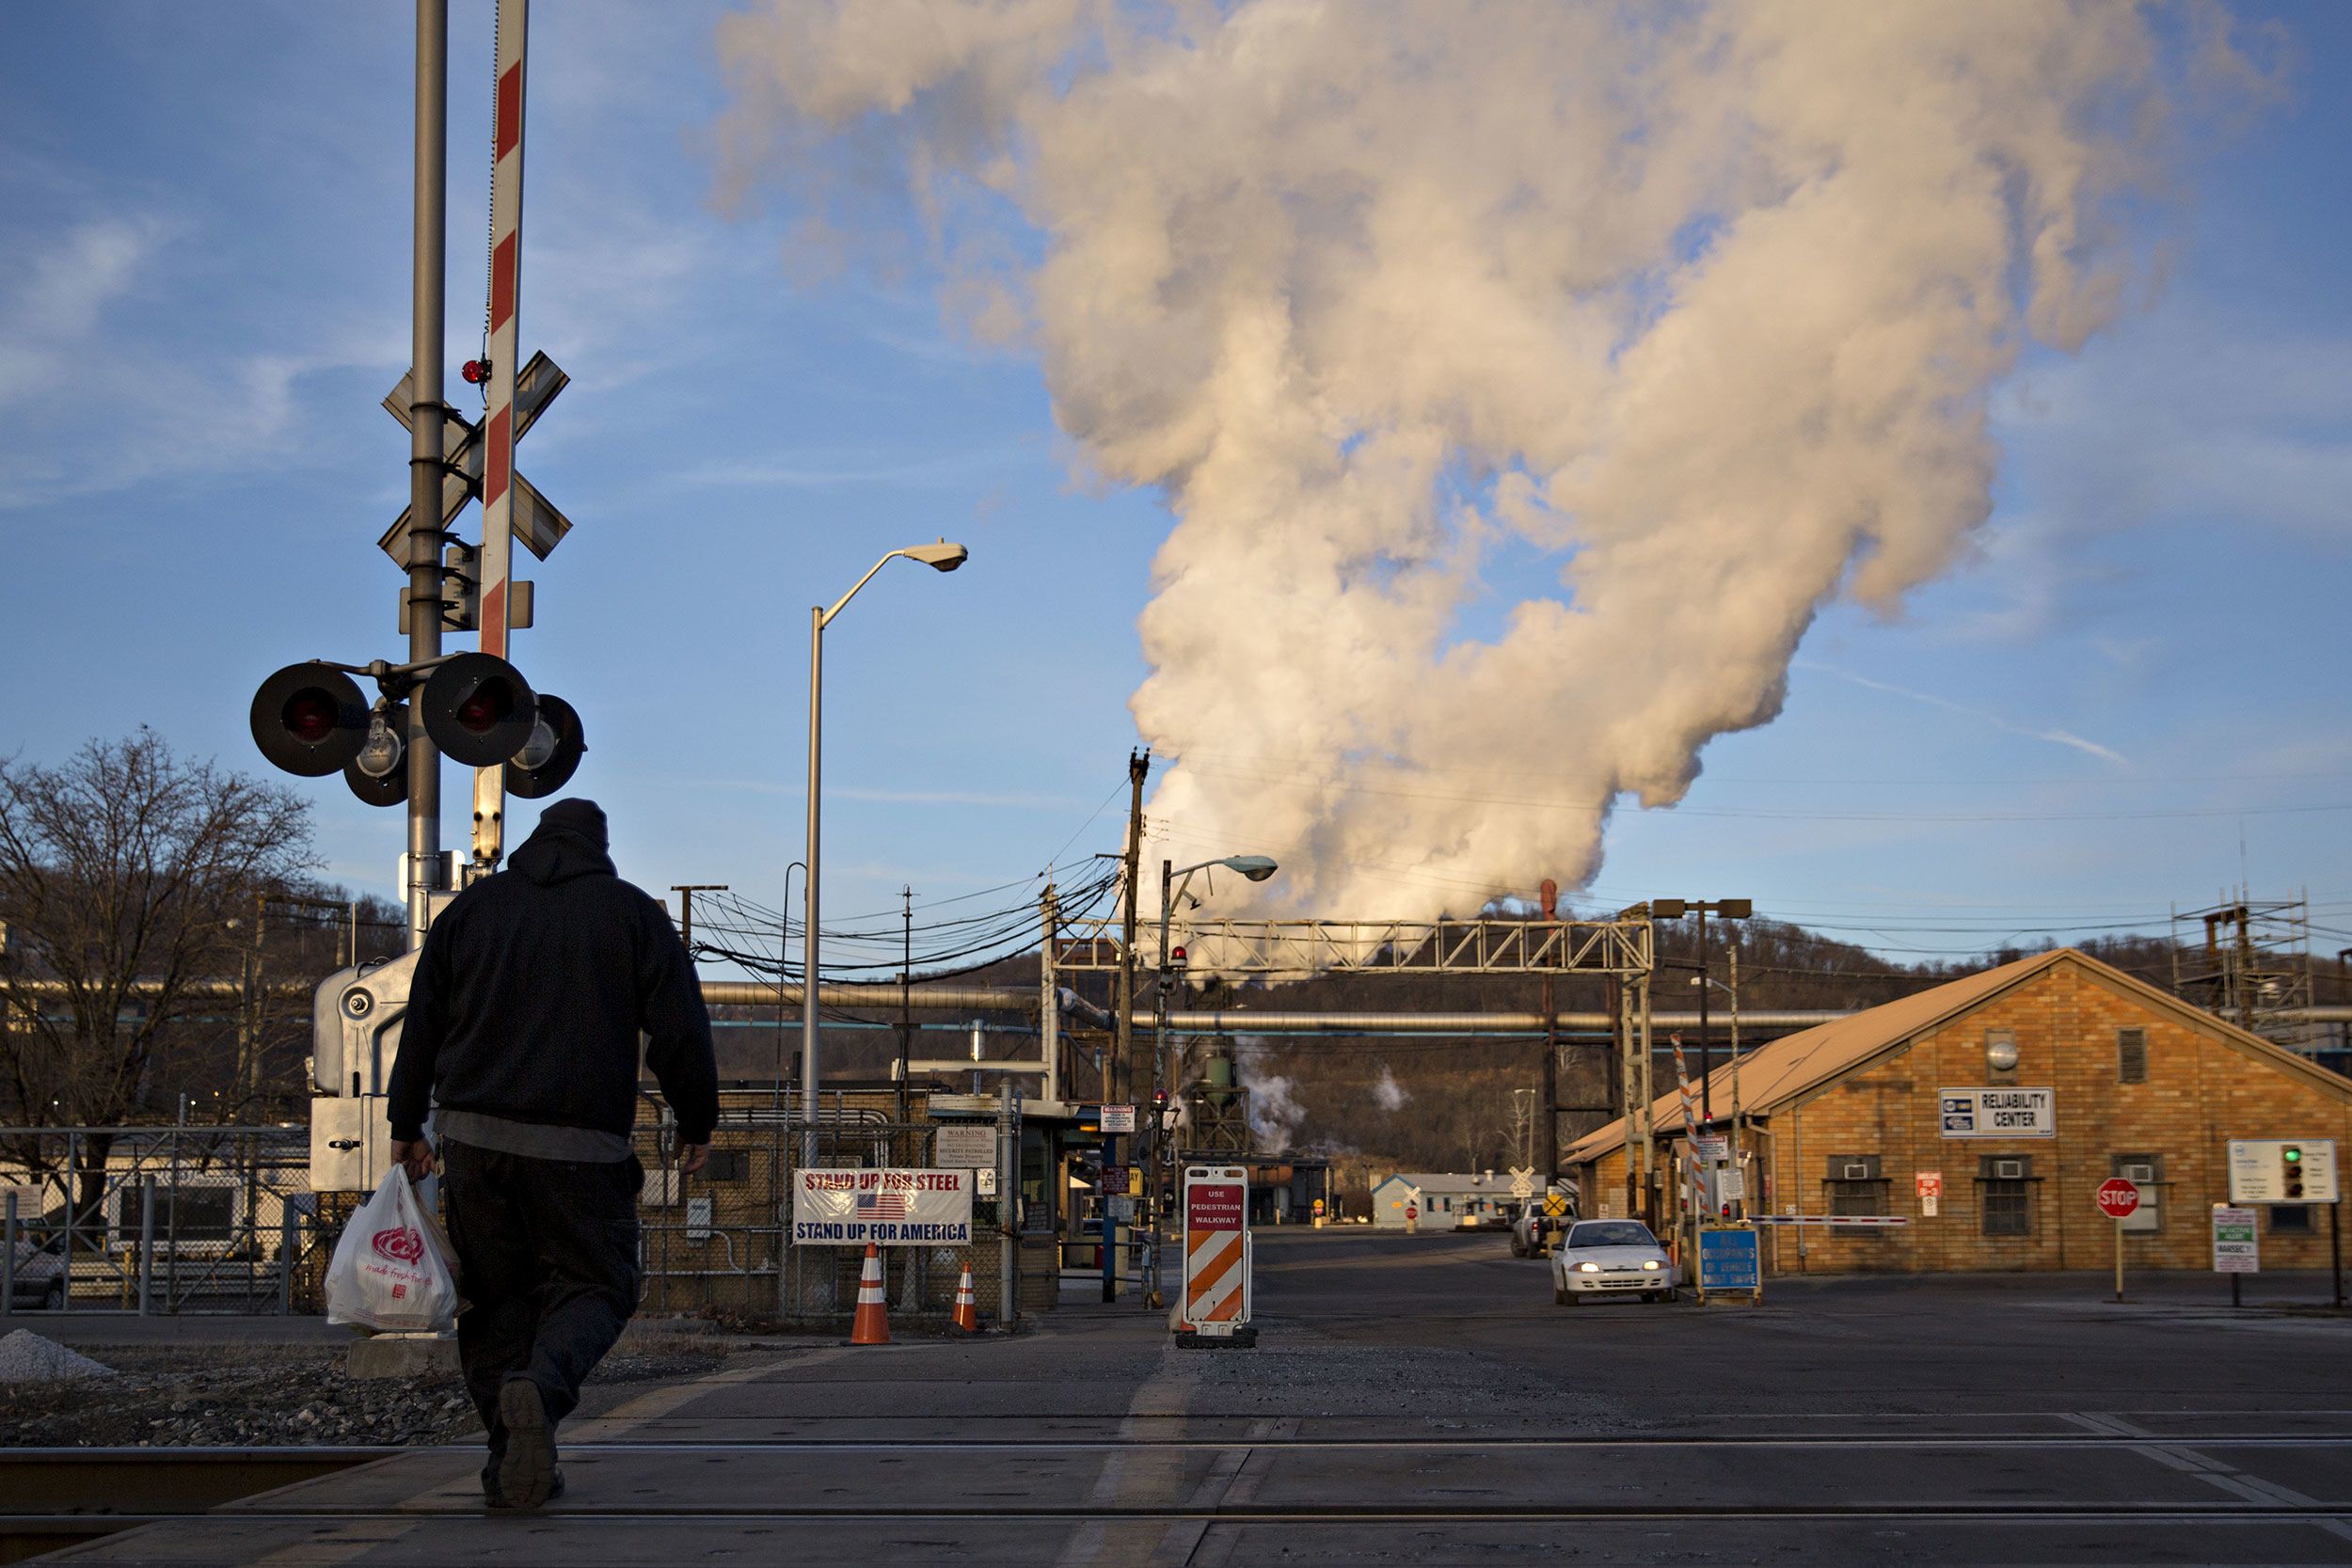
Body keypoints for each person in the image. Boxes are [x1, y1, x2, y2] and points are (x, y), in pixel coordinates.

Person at [387, 798, 718, 1511]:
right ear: (601, 847)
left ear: (534, 842)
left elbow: (423, 1023)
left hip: (473, 1142)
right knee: (599, 1285)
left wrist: (405, 1120)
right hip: (582, 1148)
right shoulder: (630, 913)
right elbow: (681, 1028)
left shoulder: (471, 913)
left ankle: (510, 1464)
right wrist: (697, 1120)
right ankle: (539, 1389)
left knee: (496, 1305)